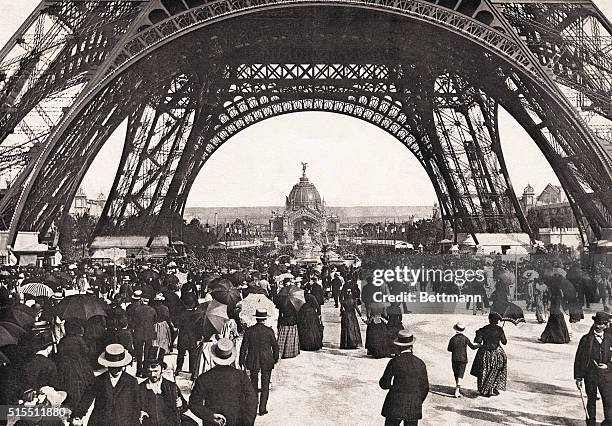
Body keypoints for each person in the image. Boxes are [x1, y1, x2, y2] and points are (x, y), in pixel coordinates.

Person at [190, 338, 258, 426]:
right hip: (238, 422)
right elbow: (252, 401)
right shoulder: (241, 376)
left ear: (214, 357)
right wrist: (247, 422)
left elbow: (194, 404)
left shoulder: (204, 378)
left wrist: (211, 416)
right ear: (231, 357)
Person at [72, 344, 140, 426]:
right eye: (113, 366)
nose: (117, 369)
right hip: (100, 422)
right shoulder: (98, 380)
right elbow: (86, 400)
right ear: (107, 365)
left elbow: (136, 408)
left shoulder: (132, 382)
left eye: (119, 366)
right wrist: (77, 416)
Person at [379, 329, 429, 426]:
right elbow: (425, 388)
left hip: (395, 404)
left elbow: (384, 384)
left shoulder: (394, 361)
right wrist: (417, 400)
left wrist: (393, 388)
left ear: (398, 346)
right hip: (413, 406)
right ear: (411, 346)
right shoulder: (420, 363)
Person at [138, 346, 193, 426]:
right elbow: (133, 408)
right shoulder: (141, 387)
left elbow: (184, 407)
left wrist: (180, 405)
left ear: (162, 369)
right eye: (150, 372)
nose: (153, 375)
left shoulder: (171, 386)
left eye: (156, 371)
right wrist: (139, 413)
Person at [574, 312, 612, 425]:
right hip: (590, 375)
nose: (599, 326)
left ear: (606, 325)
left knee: (608, 400)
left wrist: (608, 366)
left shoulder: (610, 339)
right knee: (591, 400)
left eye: (602, 324)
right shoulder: (586, 339)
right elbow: (579, 359)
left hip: (607, 375)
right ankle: (591, 422)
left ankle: (609, 422)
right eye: (597, 323)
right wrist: (578, 377)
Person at [239, 309, 279, 416]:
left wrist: (241, 360)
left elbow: (244, 348)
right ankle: (262, 408)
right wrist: (275, 359)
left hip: (253, 359)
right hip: (267, 359)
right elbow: (275, 346)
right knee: (265, 385)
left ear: (256, 318)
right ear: (265, 319)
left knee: (253, 385)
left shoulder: (249, 330)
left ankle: (253, 406)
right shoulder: (269, 331)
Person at [470, 312, 507, 397]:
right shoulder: (499, 330)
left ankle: (483, 389)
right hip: (496, 352)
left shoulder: (483, 329)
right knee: (496, 370)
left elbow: (478, 341)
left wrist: (478, 333)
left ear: (489, 320)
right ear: (497, 321)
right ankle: (492, 389)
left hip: (485, 352)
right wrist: (500, 334)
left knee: (483, 370)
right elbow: (504, 342)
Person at [447, 322, 479, 398]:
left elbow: (449, 349)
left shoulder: (453, 338)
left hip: (455, 358)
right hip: (463, 359)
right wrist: (479, 345)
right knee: (461, 374)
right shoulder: (465, 338)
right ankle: (457, 390)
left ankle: (457, 388)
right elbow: (473, 347)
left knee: (456, 373)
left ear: (456, 329)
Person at [176, 292, 204, 378]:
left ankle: (178, 368)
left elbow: (177, 325)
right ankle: (192, 370)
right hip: (192, 337)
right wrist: (199, 337)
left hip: (183, 336)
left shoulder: (181, 313)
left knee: (181, 353)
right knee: (192, 354)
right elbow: (199, 328)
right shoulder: (197, 314)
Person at [132, 295, 157, 377]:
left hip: (139, 333)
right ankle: (146, 371)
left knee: (139, 353)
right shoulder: (152, 310)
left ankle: (139, 371)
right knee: (147, 353)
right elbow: (155, 321)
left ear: (142, 301)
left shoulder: (136, 310)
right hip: (149, 334)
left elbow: (134, 321)